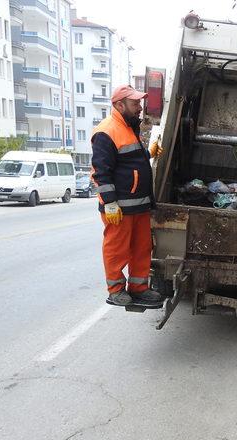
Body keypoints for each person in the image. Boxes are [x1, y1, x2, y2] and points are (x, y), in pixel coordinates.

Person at [91, 84, 163, 307]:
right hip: (120, 208)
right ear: (119, 105)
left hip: (139, 206)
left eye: (139, 103)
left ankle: (139, 288)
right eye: (134, 103)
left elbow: (130, 162)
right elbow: (101, 172)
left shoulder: (129, 126)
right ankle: (116, 290)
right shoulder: (106, 131)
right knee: (117, 249)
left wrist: (148, 154)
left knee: (142, 248)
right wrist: (110, 204)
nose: (139, 107)